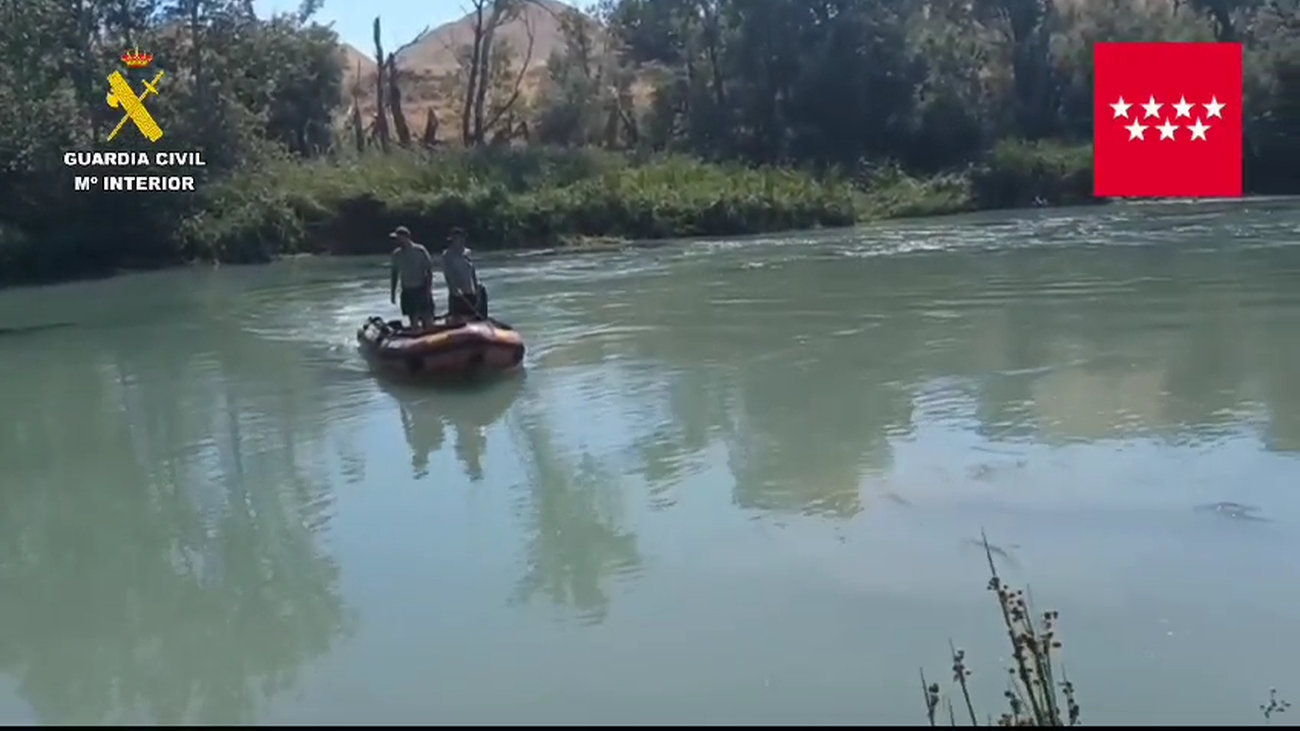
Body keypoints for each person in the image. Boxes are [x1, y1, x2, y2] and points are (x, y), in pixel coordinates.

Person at [388, 225, 436, 329]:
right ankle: (415, 331)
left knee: (427, 319)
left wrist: (428, 290)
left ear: (406, 237)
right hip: (407, 290)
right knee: (413, 320)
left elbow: (429, 271)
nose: (397, 241)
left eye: (399, 238)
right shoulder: (396, 254)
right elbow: (394, 274)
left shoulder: (420, 250)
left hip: (421, 289)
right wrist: (392, 293)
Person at [443, 227, 488, 320]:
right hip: (457, 294)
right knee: (458, 318)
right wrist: (453, 288)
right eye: (456, 239)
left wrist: (476, 287)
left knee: (475, 317)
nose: (460, 241)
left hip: (470, 291)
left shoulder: (467, 253)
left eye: (461, 238)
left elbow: (472, 271)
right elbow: (448, 274)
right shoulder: (447, 255)